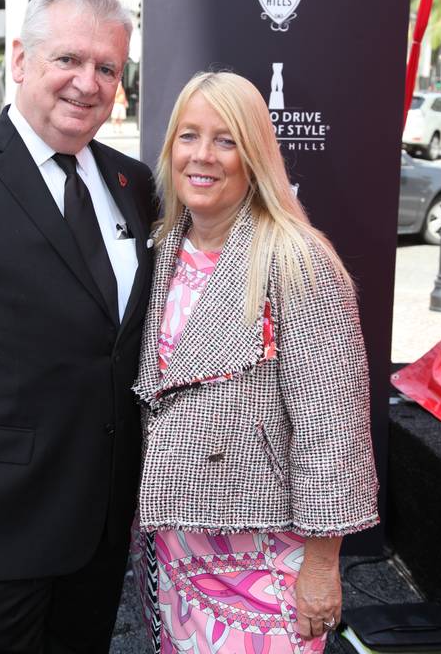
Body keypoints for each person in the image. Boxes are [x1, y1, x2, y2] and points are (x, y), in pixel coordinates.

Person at [0, 0, 156, 653]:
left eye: (107, 67)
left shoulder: (133, 183)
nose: (88, 83)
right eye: (68, 60)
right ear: (21, 59)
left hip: (100, 530)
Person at [131, 71, 379, 654]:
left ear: (256, 155)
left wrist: (322, 564)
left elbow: (333, 425)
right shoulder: (162, 247)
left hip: (266, 557)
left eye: (226, 140)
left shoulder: (297, 258)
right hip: (175, 547)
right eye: (189, 136)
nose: (202, 155)